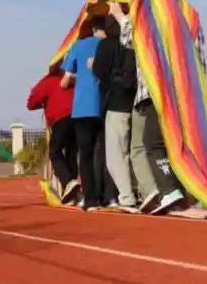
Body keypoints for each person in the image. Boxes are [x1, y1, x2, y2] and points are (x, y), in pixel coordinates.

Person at [110, 1, 189, 215]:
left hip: (156, 93)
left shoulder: (152, 33)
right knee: (172, 144)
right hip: (179, 95)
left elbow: (131, 39)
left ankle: (169, 190)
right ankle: (183, 190)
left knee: (152, 143)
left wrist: (119, 15)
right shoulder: (180, 33)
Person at [92, 16, 139, 210]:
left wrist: (94, 66)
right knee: (133, 151)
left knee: (115, 155)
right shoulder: (133, 44)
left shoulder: (107, 45)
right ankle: (139, 191)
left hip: (115, 103)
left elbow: (99, 70)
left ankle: (127, 196)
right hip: (134, 103)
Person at [61, 17, 107, 211]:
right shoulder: (111, 46)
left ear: (93, 28)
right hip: (104, 107)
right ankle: (105, 195)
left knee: (85, 156)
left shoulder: (79, 46)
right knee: (102, 154)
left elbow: (64, 81)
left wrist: (76, 80)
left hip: (81, 109)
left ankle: (90, 199)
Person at [27, 65, 78, 202]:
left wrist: (42, 103)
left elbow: (31, 103)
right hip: (78, 117)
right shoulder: (71, 79)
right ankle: (72, 192)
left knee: (55, 151)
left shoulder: (47, 81)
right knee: (71, 153)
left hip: (61, 119)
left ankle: (68, 182)